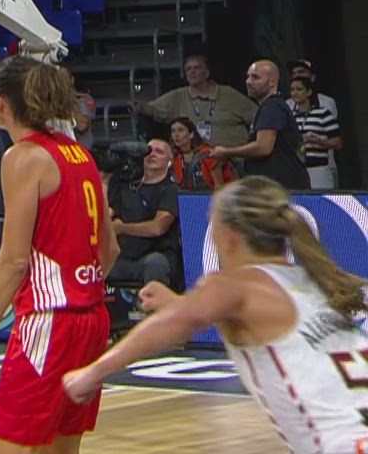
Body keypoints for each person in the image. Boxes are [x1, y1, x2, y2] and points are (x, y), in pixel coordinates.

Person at [63, 177, 368, 453]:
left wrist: (92, 373)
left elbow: (176, 326)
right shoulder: (314, 280)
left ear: (229, 236)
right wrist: (178, 303)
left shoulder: (234, 285)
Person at [0, 57, 119, 453]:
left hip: (50, 322)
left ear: (0, 104)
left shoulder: (22, 158)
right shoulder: (81, 154)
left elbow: (14, 260)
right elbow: (110, 249)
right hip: (92, 319)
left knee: (13, 445)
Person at [212, 60, 309, 190]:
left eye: (255, 77)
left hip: (282, 189)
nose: (248, 82)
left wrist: (226, 152)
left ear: (272, 82)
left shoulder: (273, 107)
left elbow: (263, 147)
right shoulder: (268, 107)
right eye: (248, 77)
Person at [106, 136, 181, 296]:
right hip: (123, 257)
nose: (152, 154)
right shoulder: (122, 184)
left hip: (155, 256)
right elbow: (107, 214)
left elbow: (157, 227)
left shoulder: (171, 189)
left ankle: (157, 316)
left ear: (170, 160)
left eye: (159, 152)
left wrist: (121, 228)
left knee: (155, 264)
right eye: (149, 150)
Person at [287, 74, 342, 190]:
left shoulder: (323, 114)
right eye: (292, 90)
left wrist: (318, 141)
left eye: (299, 89)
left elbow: (337, 143)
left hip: (319, 169)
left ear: (308, 92)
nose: (295, 93)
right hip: (297, 169)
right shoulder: (289, 117)